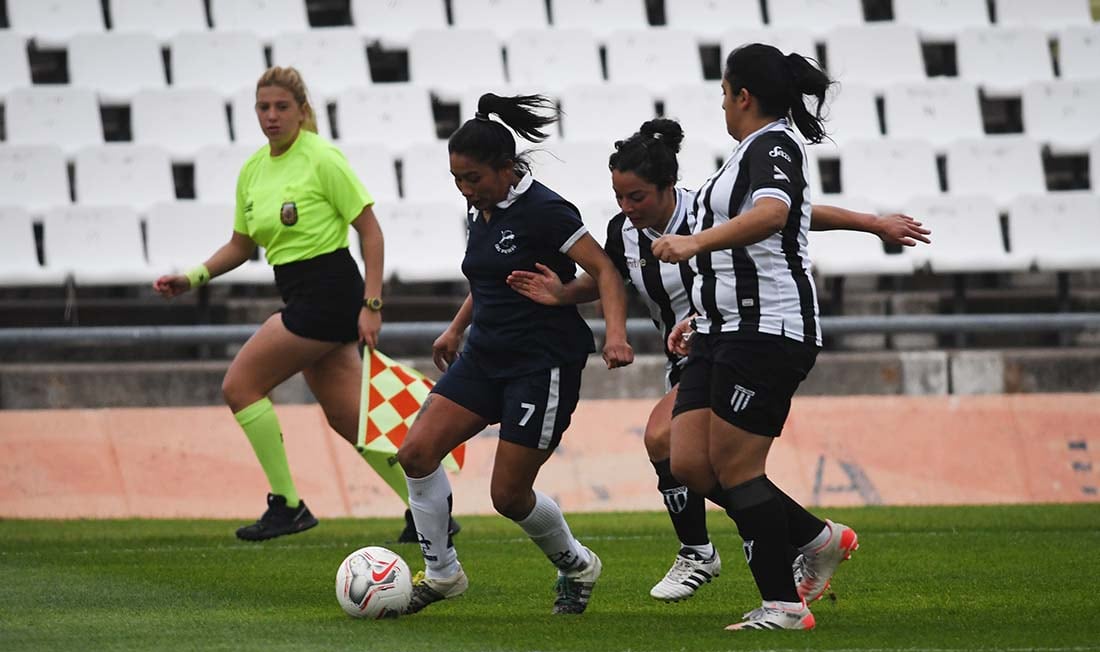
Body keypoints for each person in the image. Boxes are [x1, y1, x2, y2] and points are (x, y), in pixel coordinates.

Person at [506, 118, 930, 604]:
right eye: (620, 198)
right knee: (702, 468)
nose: (627, 208)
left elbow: (794, 214)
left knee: (664, 439)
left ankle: (700, 552)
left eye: (637, 197)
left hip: (732, 343)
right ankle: (815, 538)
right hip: (692, 355)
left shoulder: (707, 212)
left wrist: (874, 225)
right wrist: (563, 294)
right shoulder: (624, 231)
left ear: (668, 186)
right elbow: (610, 279)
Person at [649, 43, 879, 631]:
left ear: (743, 96)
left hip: (766, 329)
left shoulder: (774, 144)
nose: (722, 104)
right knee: (690, 463)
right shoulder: (743, 155)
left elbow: (778, 214)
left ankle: (781, 605)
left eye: (724, 93)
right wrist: (697, 310)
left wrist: (694, 244)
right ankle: (816, 538)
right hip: (718, 331)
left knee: (735, 467)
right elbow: (790, 214)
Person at [394, 93, 634, 615]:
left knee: (508, 496)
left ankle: (577, 565)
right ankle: (442, 575)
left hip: (540, 364)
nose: (464, 188)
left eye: (473, 177)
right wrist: (456, 328)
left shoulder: (546, 210)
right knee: (415, 453)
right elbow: (492, 278)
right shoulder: (482, 206)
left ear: (507, 169)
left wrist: (614, 334)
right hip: (484, 355)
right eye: (457, 178)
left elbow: (607, 271)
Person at [153, 66, 386, 542]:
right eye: (264, 107)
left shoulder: (322, 158)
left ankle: (288, 505)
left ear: (302, 111)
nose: (272, 116)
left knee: (241, 385)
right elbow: (241, 246)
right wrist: (192, 277)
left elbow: (371, 232)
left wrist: (373, 304)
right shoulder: (254, 170)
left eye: (282, 107)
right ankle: (428, 504)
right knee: (348, 416)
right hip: (300, 290)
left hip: (329, 290)